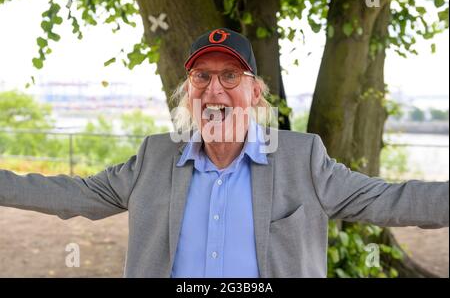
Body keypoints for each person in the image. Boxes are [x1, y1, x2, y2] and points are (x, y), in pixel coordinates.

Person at [0, 28, 448, 278]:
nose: (214, 89)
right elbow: (70, 194)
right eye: (202, 77)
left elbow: (392, 199)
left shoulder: (303, 158)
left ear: (255, 92)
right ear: (187, 93)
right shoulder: (154, 157)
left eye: (230, 76)